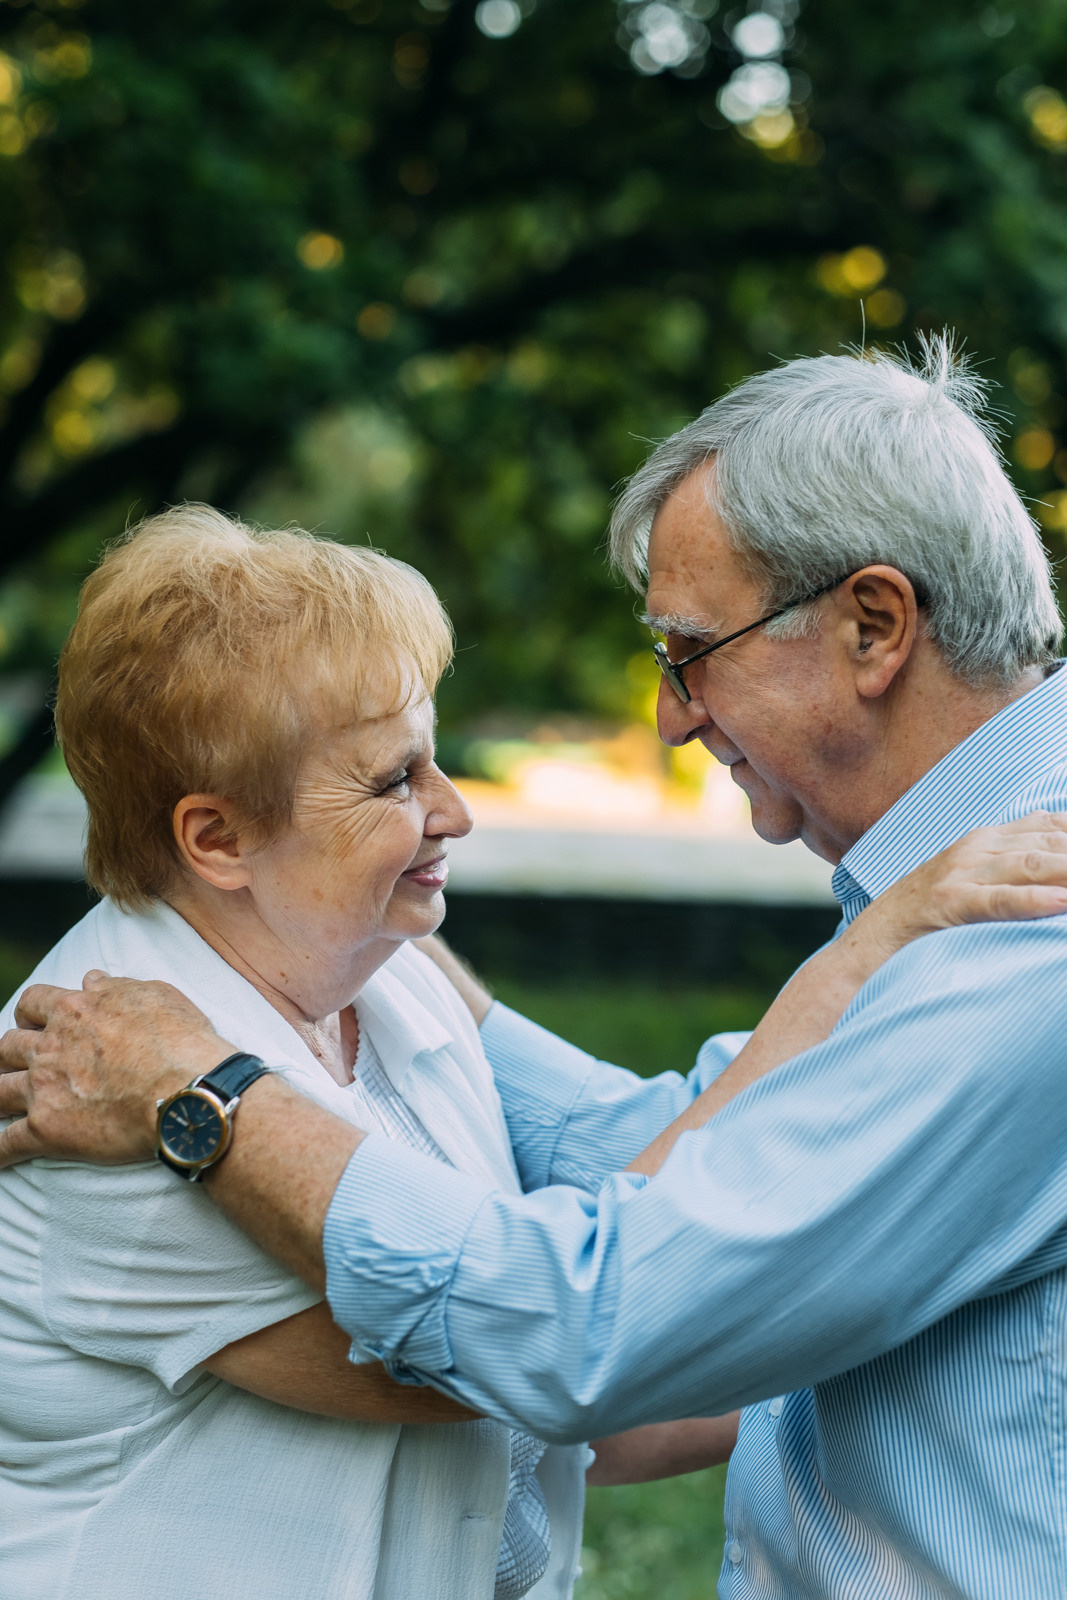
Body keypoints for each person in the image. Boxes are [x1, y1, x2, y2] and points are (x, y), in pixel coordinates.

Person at [6, 338, 1067, 1597]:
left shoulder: (1019, 931)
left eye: (686, 649)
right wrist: (381, 943)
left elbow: (577, 1335)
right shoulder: (171, 1037)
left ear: (873, 626)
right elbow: (685, 1161)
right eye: (393, 775)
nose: (669, 712)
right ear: (217, 838)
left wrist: (216, 1098)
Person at [0, 507, 591, 1600]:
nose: (452, 810)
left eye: (434, 757)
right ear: (216, 839)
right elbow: (513, 1355)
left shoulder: (391, 974)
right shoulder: (88, 1087)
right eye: (390, 781)